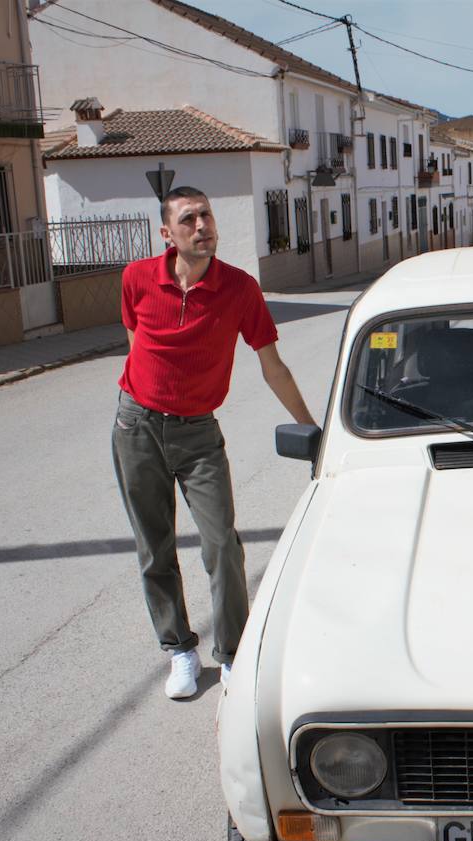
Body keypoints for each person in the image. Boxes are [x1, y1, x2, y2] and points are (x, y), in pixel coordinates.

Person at [112, 186, 316, 699]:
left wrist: (313, 429)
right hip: (136, 428)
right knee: (153, 547)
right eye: (188, 219)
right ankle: (179, 650)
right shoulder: (137, 278)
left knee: (221, 542)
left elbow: (273, 367)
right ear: (167, 234)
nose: (202, 225)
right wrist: (143, 398)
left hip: (198, 431)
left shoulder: (240, 289)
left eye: (206, 215)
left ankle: (232, 653)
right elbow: (136, 341)